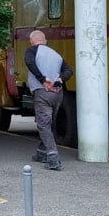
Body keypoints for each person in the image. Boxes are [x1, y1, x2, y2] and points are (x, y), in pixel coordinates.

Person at [25, 29, 73, 170]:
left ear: (32, 41)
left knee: (44, 125)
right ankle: (41, 154)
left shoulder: (31, 50)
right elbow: (68, 71)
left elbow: (29, 63)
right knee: (49, 123)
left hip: (42, 92)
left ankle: (53, 159)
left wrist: (42, 78)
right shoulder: (56, 55)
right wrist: (59, 79)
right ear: (45, 41)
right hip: (58, 94)